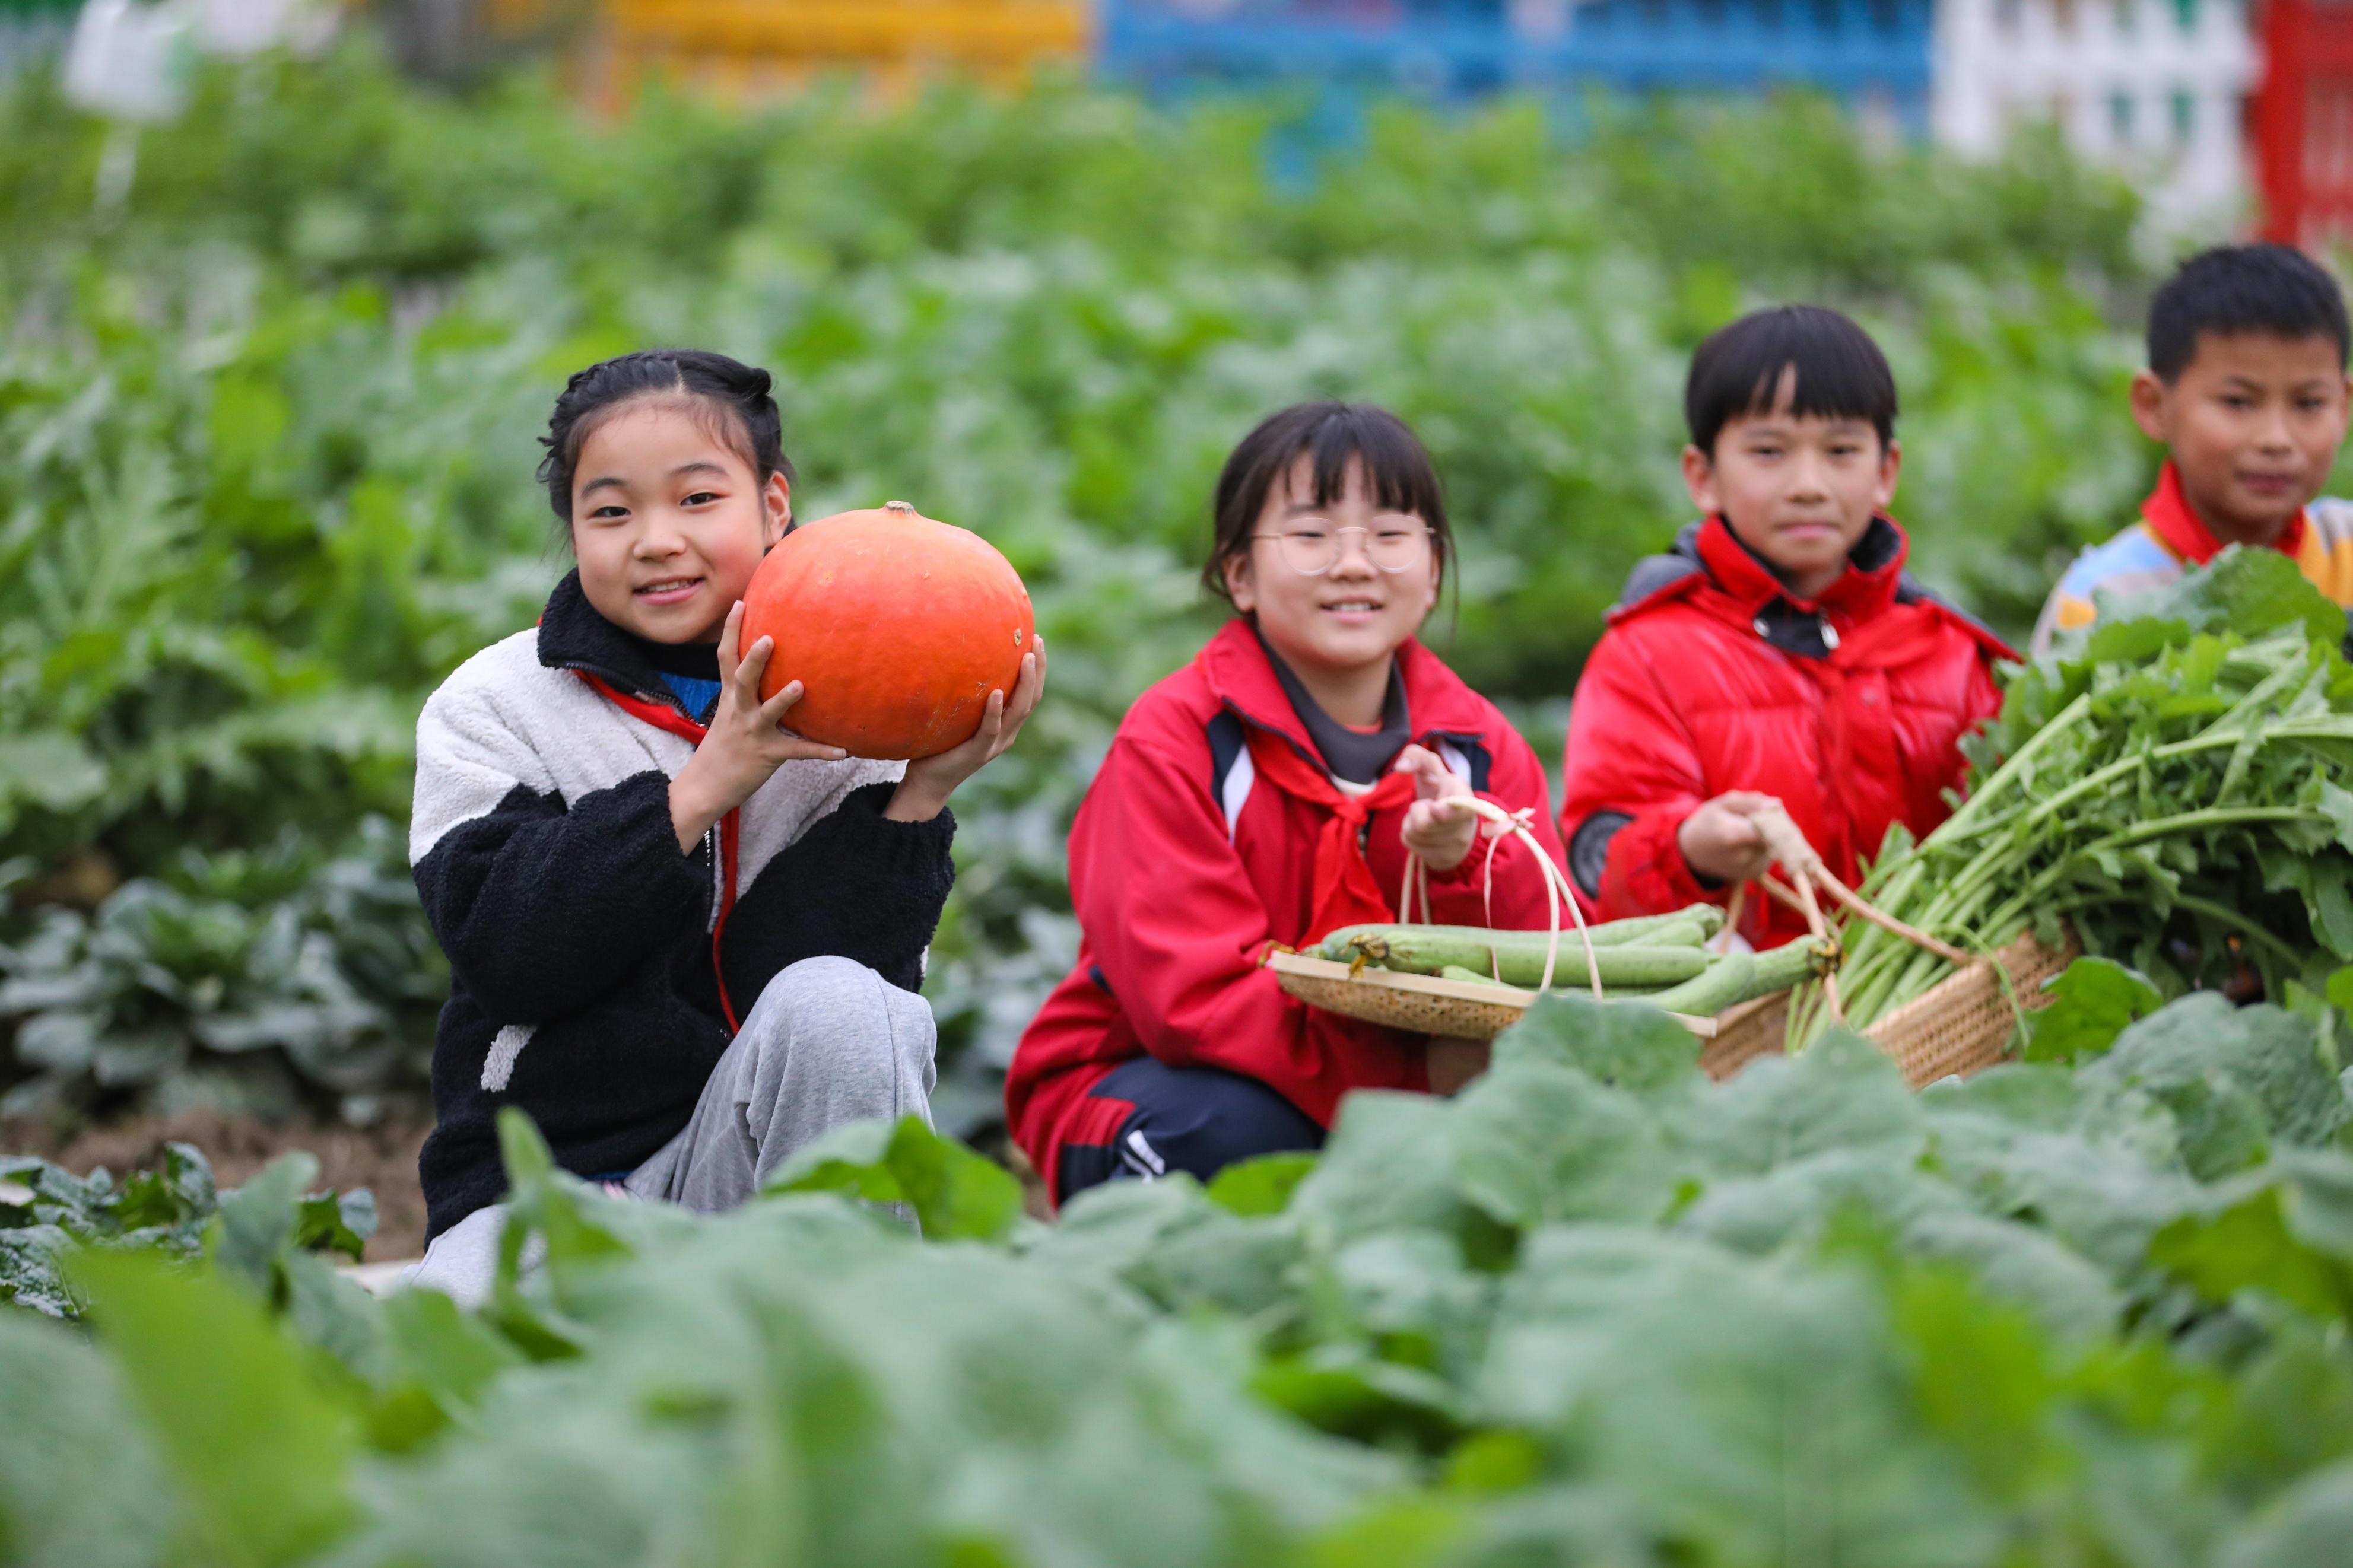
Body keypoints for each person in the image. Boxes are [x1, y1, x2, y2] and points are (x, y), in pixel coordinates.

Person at [405, 349, 1044, 1301]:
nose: (656, 540)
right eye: (611, 512)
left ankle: (862, 1330)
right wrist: (704, 784)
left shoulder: (851, 715)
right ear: (573, 528)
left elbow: (816, 1016)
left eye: (698, 499)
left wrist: (915, 799)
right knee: (443, 1366)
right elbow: (511, 955)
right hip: (549, 1187)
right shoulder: (493, 708)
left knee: (848, 1003)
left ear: (774, 507)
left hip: (754, 1187)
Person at [1005, 402, 1568, 1208]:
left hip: (1418, 1075)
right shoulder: (1176, 740)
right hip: (1145, 1078)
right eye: (1310, 535)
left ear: (1434, 567)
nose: (1353, 563)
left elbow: (1546, 957)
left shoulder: (1476, 747)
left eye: (1389, 533)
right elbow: (1192, 1007)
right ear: (1238, 573)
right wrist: (1420, 1072)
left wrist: (1465, 858)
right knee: (1243, 1143)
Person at [1558, 306, 2012, 951]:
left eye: (1840, 452)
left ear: (1885, 471)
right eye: (1768, 452)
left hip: (1942, 1023)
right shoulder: (1646, 654)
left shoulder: (1954, 656)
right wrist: (1686, 850)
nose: (1807, 485)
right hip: (1737, 1035)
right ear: (1702, 476)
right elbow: (1595, 868)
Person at [2033, 243, 2353, 653]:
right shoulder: (2101, 603)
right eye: (2237, 402)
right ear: (2153, 404)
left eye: (2308, 404)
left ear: (2343, 407)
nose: (2276, 439)